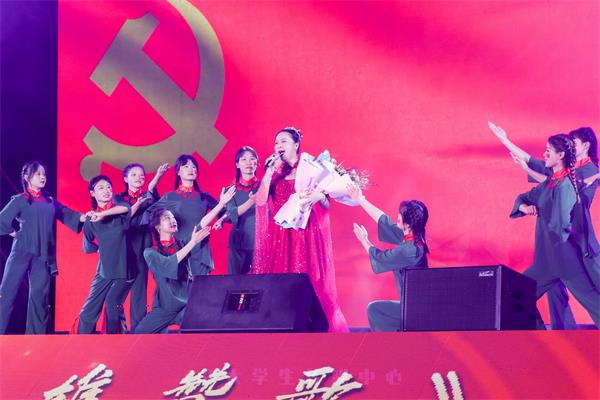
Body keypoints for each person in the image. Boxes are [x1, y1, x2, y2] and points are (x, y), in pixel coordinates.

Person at [492, 124, 599, 328]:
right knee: (518, 294)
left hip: (571, 251)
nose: (544, 153)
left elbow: (562, 213)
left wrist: (541, 201)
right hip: (548, 257)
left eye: (549, 150)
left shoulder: (577, 177)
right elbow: (534, 171)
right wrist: (505, 140)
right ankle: (550, 332)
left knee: (592, 299)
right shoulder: (554, 181)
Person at [253, 127, 348, 332]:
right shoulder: (275, 173)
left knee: (307, 278)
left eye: (284, 141)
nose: (279, 146)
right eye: (276, 142)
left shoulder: (311, 168)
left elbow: (326, 204)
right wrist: (268, 172)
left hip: (305, 232)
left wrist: (319, 196)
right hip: (279, 234)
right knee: (281, 280)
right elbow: (260, 201)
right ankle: (282, 326)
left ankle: (311, 327)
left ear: (296, 144)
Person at [0, 161, 86, 334]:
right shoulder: (20, 200)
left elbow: (69, 215)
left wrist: (87, 217)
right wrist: (16, 234)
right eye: (38, 174)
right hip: (21, 250)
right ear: (27, 177)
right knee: (7, 292)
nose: (43, 177)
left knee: (40, 296)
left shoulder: (49, 201)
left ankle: (35, 338)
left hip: (44, 254)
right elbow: (2, 220)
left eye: (44, 174)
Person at [348, 184, 429, 332]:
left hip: (414, 310)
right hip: (413, 306)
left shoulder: (409, 250)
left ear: (408, 224)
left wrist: (364, 240)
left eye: (400, 215)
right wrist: (360, 199)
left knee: (375, 310)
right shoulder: (413, 238)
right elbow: (384, 220)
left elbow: (380, 258)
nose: (397, 216)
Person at [77, 175, 144, 334]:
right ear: (92, 193)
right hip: (104, 271)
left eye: (108, 187)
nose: (106, 191)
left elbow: (127, 209)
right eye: (101, 188)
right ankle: (81, 343)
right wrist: (98, 248)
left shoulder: (120, 209)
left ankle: (115, 341)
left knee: (112, 306)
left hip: (124, 269)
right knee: (88, 311)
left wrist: (102, 214)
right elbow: (87, 246)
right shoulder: (90, 220)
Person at [150, 154, 235, 277]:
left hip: (200, 250)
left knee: (200, 288)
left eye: (194, 167)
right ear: (178, 172)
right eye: (186, 166)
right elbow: (150, 214)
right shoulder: (170, 197)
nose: (191, 169)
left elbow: (227, 214)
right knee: (179, 288)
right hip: (178, 249)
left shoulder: (204, 197)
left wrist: (222, 220)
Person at [134, 207, 210, 333]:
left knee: (199, 328)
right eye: (167, 218)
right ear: (158, 227)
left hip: (186, 304)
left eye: (173, 217)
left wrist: (221, 204)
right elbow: (169, 264)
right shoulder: (150, 253)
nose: (172, 220)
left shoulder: (182, 244)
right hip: (165, 307)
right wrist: (192, 242)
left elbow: (201, 225)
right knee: (139, 334)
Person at [114, 162, 168, 331]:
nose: (139, 178)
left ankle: (137, 332)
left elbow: (155, 200)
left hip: (143, 246)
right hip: (122, 247)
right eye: (134, 175)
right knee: (115, 293)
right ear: (125, 179)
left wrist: (158, 176)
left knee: (139, 291)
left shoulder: (148, 198)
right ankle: (114, 330)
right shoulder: (118, 199)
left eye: (142, 175)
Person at [213, 146, 260, 275]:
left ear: (257, 163)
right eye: (243, 159)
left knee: (260, 281)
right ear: (237, 165)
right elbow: (232, 212)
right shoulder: (231, 190)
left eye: (252, 158)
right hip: (238, 241)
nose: (248, 162)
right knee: (235, 281)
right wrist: (251, 201)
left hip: (260, 241)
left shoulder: (265, 186)